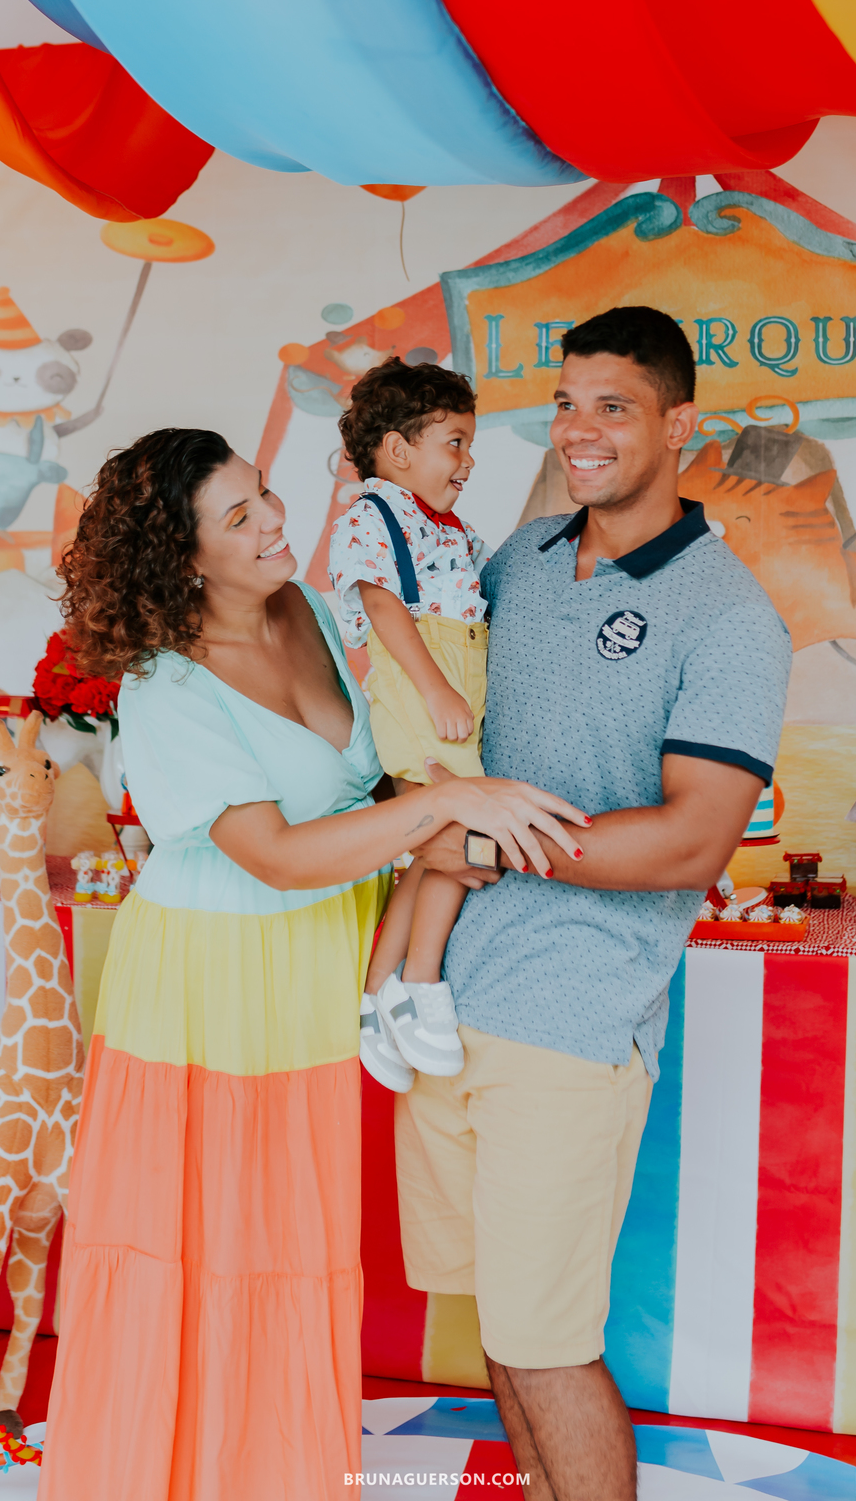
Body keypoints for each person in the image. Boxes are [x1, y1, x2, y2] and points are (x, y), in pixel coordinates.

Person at [37, 426, 587, 1501]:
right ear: (181, 557)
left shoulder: (319, 615)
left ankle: (274, 1476)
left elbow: (363, 796)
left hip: (314, 971)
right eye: (239, 518)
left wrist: (432, 832)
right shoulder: (168, 689)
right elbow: (281, 858)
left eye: (266, 496)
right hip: (210, 984)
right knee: (199, 1250)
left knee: (291, 1245)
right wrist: (443, 809)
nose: (276, 521)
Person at [399, 308, 793, 1501]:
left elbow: (691, 842)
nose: (579, 429)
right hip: (444, 1003)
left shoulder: (731, 616)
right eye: (566, 403)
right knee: (500, 1339)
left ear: (682, 425)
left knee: (548, 1344)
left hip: (572, 1023)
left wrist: (490, 842)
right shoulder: (514, 564)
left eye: (612, 406)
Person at [328, 357, 497, 1092]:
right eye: (453, 441)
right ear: (398, 451)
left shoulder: (447, 526)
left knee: (437, 852)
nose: (467, 459)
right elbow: (384, 605)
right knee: (460, 847)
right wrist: (435, 690)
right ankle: (420, 982)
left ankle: (378, 998)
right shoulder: (375, 515)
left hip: (455, 687)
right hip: (422, 692)